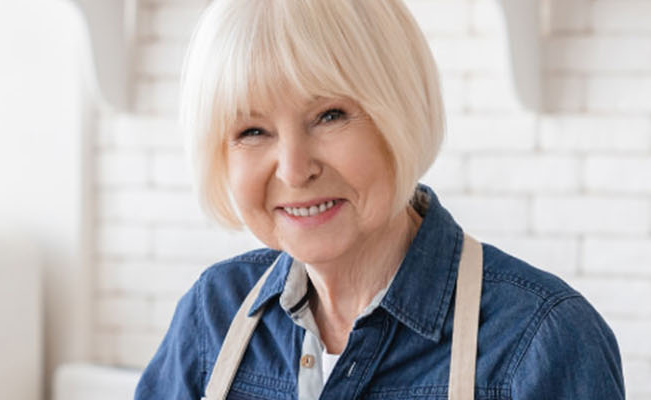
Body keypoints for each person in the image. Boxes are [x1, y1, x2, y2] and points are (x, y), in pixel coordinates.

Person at [135, 0, 624, 399]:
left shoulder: (541, 339)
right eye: (253, 130)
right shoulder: (214, 316)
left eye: (329, 115)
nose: (293, 168)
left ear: (400, 113)